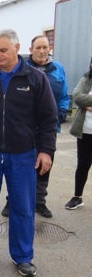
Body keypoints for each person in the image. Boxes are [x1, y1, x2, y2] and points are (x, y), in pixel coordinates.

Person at [0, 29, 57, 277]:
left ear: (17, 48)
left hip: (23, 155)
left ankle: (23, 256)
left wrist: (46, 150)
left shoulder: (35, 79)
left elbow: (48, 118)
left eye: (3, 50)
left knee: (23, 207)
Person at [1, 35, 69, 218]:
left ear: (49, 49)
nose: (42, 51)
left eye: (45, 47)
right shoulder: (22, 68)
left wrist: (60, 115)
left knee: (44, 165)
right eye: (38, 47)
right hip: (24, 129)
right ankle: (11, 201)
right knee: (18, 166)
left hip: (48, 128)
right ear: (31, 50)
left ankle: (39, 201)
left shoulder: (58, 69)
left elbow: (64, 95)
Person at [65, 57, 92, 210]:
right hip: (86, 131)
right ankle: (77, 197)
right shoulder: (86, 79)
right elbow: (77, 97)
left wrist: (88, 103)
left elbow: (83, 99)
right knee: (83, 164)